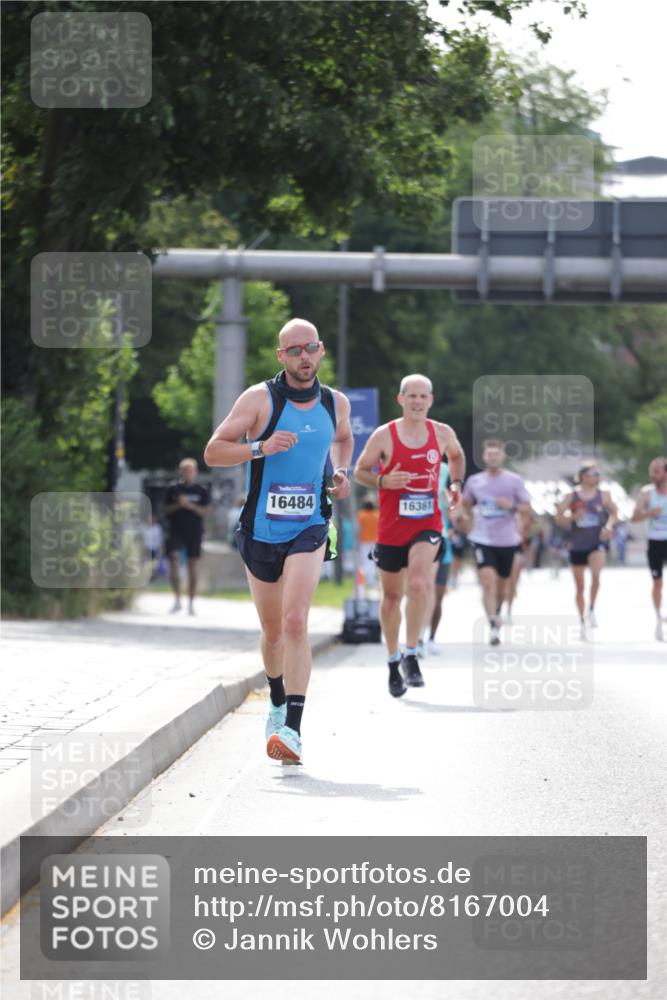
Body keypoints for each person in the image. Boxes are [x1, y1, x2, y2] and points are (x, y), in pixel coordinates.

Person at [204, 318, 353, 763]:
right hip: (260, 531)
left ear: (321, 350)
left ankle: (292, 730)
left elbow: (343, 441)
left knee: (294, 623)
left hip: (309, 525)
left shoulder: (334, 403)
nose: (303, 356)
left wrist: (340, 472)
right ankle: (274, 697)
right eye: (294, 350)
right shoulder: (259, 400)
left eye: (310, 348)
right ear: (281, 356)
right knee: (272, 634)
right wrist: (259, 448)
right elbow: (213, 451)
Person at [353, 374, 464, 696]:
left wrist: (454, 485)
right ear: (401, 399)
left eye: (423, 396)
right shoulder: (384, 435)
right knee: (391, 599)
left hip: (427, 523)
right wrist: (383, 482)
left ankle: (412, 653)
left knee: (418, 583)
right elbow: (360, 471)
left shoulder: (442, 433)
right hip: (391, 528)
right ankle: (392, 660)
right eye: (411, 396)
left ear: (431, 400)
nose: (417, 402)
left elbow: (456, 456)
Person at [461, 439, 532, 646]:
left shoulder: (514, 481)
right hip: (482, 539)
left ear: (502, 457)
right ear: (484, 457)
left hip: (508, 539)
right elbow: (464, 504)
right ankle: (493, 624)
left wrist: (510, 505)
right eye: (489, 454)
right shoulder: (474, 481)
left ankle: (498, 610)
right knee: (487, 583)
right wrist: (463, 518)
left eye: (496, 454)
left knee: (503, 585)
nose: (493, 457)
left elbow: (527, 508)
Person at [555, 463, 618, 639]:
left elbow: (614, 512)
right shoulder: (571, 496)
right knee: (579, 585)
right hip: (577, 545)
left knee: (596, 576)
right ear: (582, 476)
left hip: (596, 542)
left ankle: (592, 609)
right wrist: (573, 517)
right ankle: (582, 619)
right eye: (592, 474)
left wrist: (609, 526)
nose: (596, 477)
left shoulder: (604, 495)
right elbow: (558, 519)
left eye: (598, 474)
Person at [163, 458, 210, 615]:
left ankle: (191, 603)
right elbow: (165, 509)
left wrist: (189, 505)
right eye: (185, 470)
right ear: (181, 472)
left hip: (194, 532)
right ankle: (177, 600)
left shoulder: (201, 491)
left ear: (195, 472)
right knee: (174, 562)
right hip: (175, 530)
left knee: (192, 566)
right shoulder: (173, 489)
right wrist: (178, 504)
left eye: (191, 470)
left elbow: (206, 512)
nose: (188, 473)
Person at [631, 457, 667, 641]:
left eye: (656, 471)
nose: (652, 475)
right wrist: (650, 513)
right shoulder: (646, 493)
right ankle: (658, 618)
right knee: (657, 583)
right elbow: (634, 518)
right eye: (651, 471)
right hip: (655, 542)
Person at [422, 459, 454, 655]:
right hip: (423, 539)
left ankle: (431, 637)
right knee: (424, 590)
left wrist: (454, 519)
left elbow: (452, 507)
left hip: (444, 541)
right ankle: (417, 638)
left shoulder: (444, 470)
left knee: (438, 596)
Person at [356, 497, 379, 592]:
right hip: (375, 541)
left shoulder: (361, 516)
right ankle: (371, 581)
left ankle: (362, 582)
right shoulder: (377, 515)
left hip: (364, 542)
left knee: (364, 562)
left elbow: (358, 529)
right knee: (373, 562)